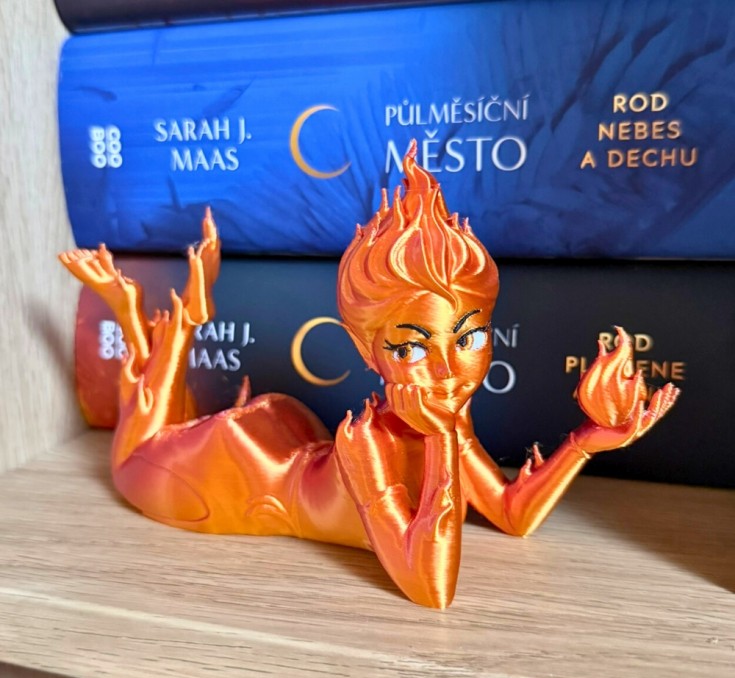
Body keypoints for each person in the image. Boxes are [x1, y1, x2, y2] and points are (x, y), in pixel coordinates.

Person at [59, 145, 678, 608]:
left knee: (155, 438)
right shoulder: (369, 444)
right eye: (412, 347)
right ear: (367, 350)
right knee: (131, 462)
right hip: (241, 472)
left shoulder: (447, 422)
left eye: (469, 338)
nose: (447, 370)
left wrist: (586, 442)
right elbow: (430, 587)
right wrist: (440, 438)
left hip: (290, 434)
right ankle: (150, 313)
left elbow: (512, 514)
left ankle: (153, 316)